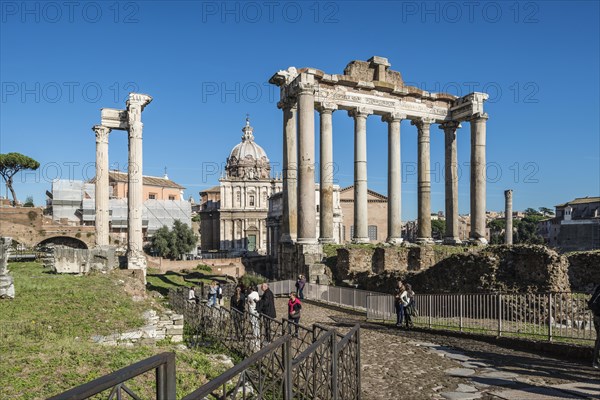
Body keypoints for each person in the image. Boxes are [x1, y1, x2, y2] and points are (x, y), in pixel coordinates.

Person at [589, 283, 600, 369]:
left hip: (596, 316)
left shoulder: (598, 287)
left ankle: (595, 360)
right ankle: (596, 361)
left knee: (598, 339)